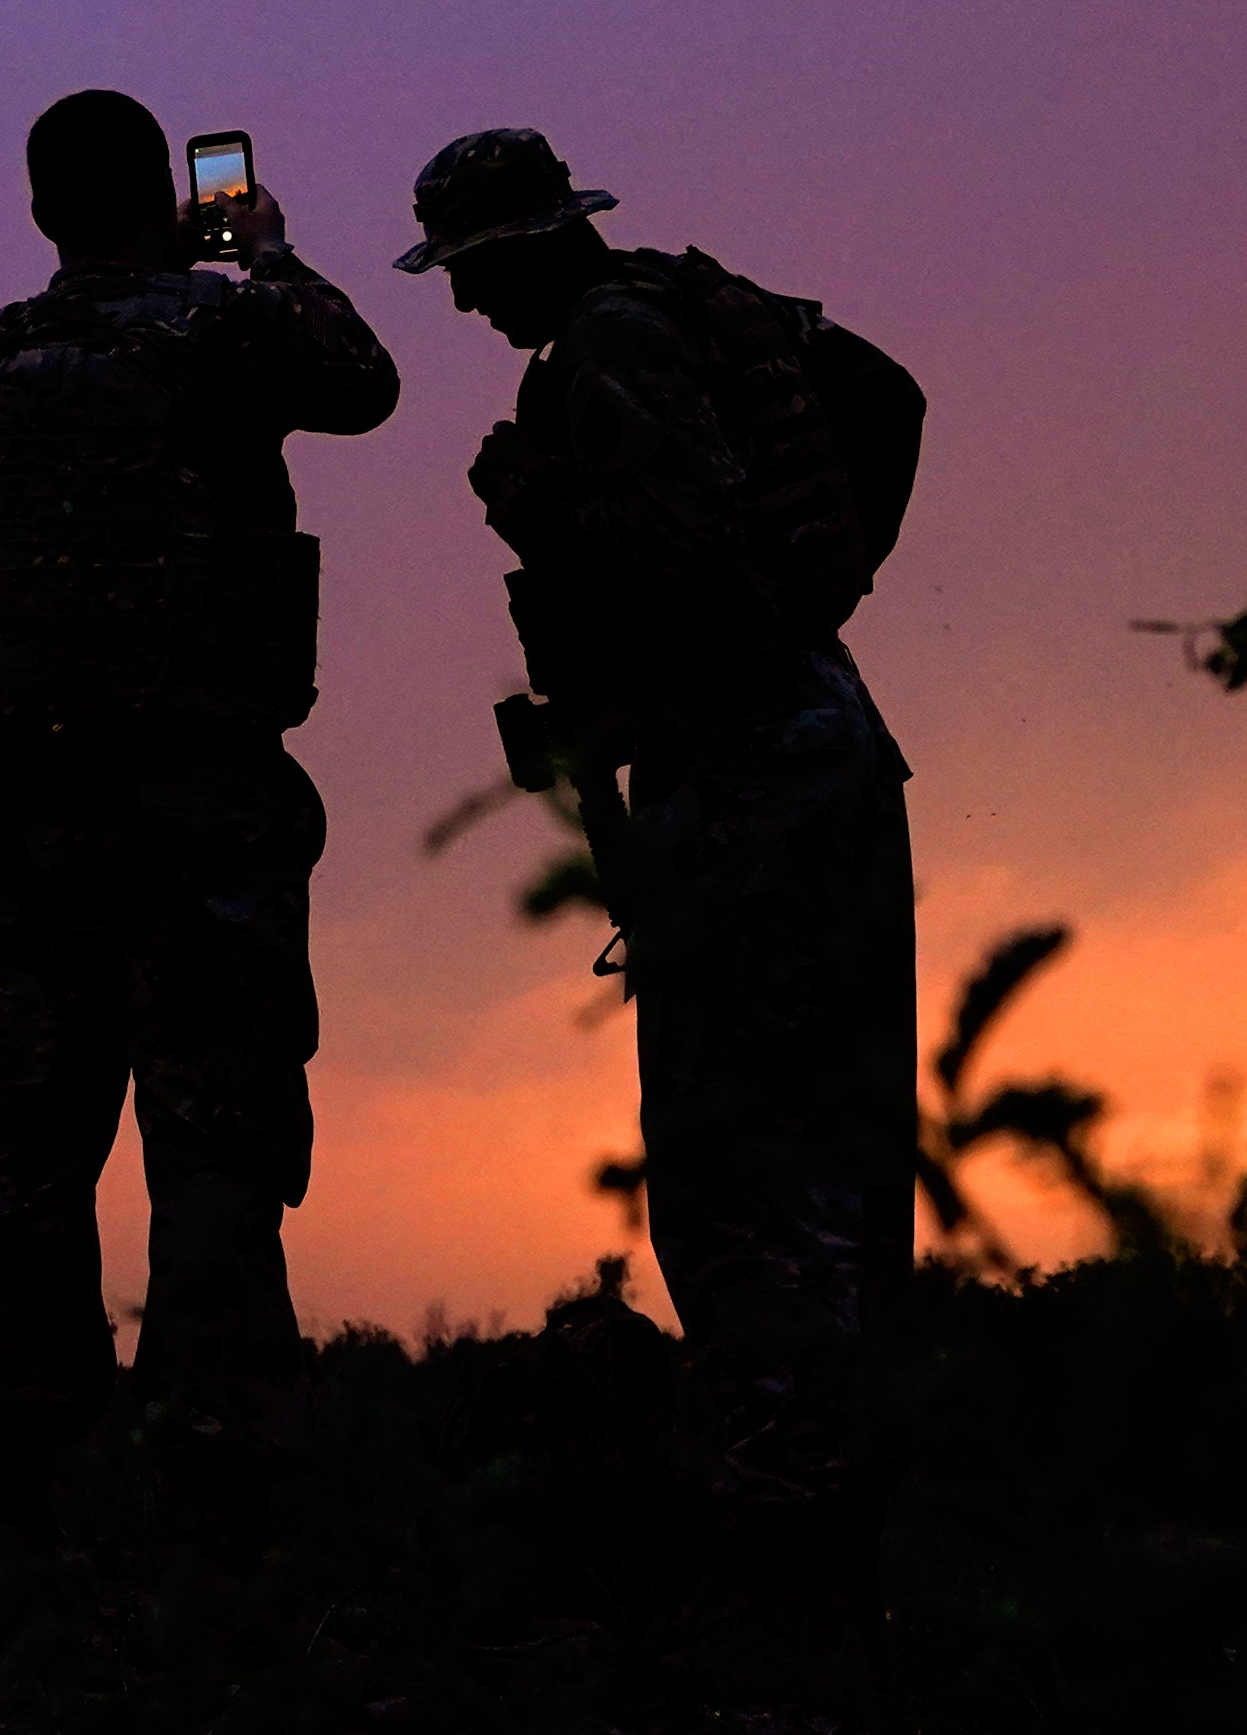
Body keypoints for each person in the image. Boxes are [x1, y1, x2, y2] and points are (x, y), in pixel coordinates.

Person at [398, 127, 924, 1644]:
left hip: (741, 775)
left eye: (466, 272)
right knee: (832, 1151)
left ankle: (791, 1544)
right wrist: (820, 582)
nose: (461, 309)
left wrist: (537, 505)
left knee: (736, 1165)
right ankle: (839, 1528)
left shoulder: (604, 355)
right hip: (814, 743)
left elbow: (674, 556)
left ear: (512, 247)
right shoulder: (703, 307)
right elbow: (885, 400)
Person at [0, 90, 398, 1556]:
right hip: (197, 800)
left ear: (35, 210)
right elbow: (363, 379)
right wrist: (263, 250)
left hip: (20, 801)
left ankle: (12, 1510)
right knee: (210, 1144)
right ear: (161, 195)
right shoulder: (221, 330)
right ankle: (211, 1521)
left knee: (17, 1151)